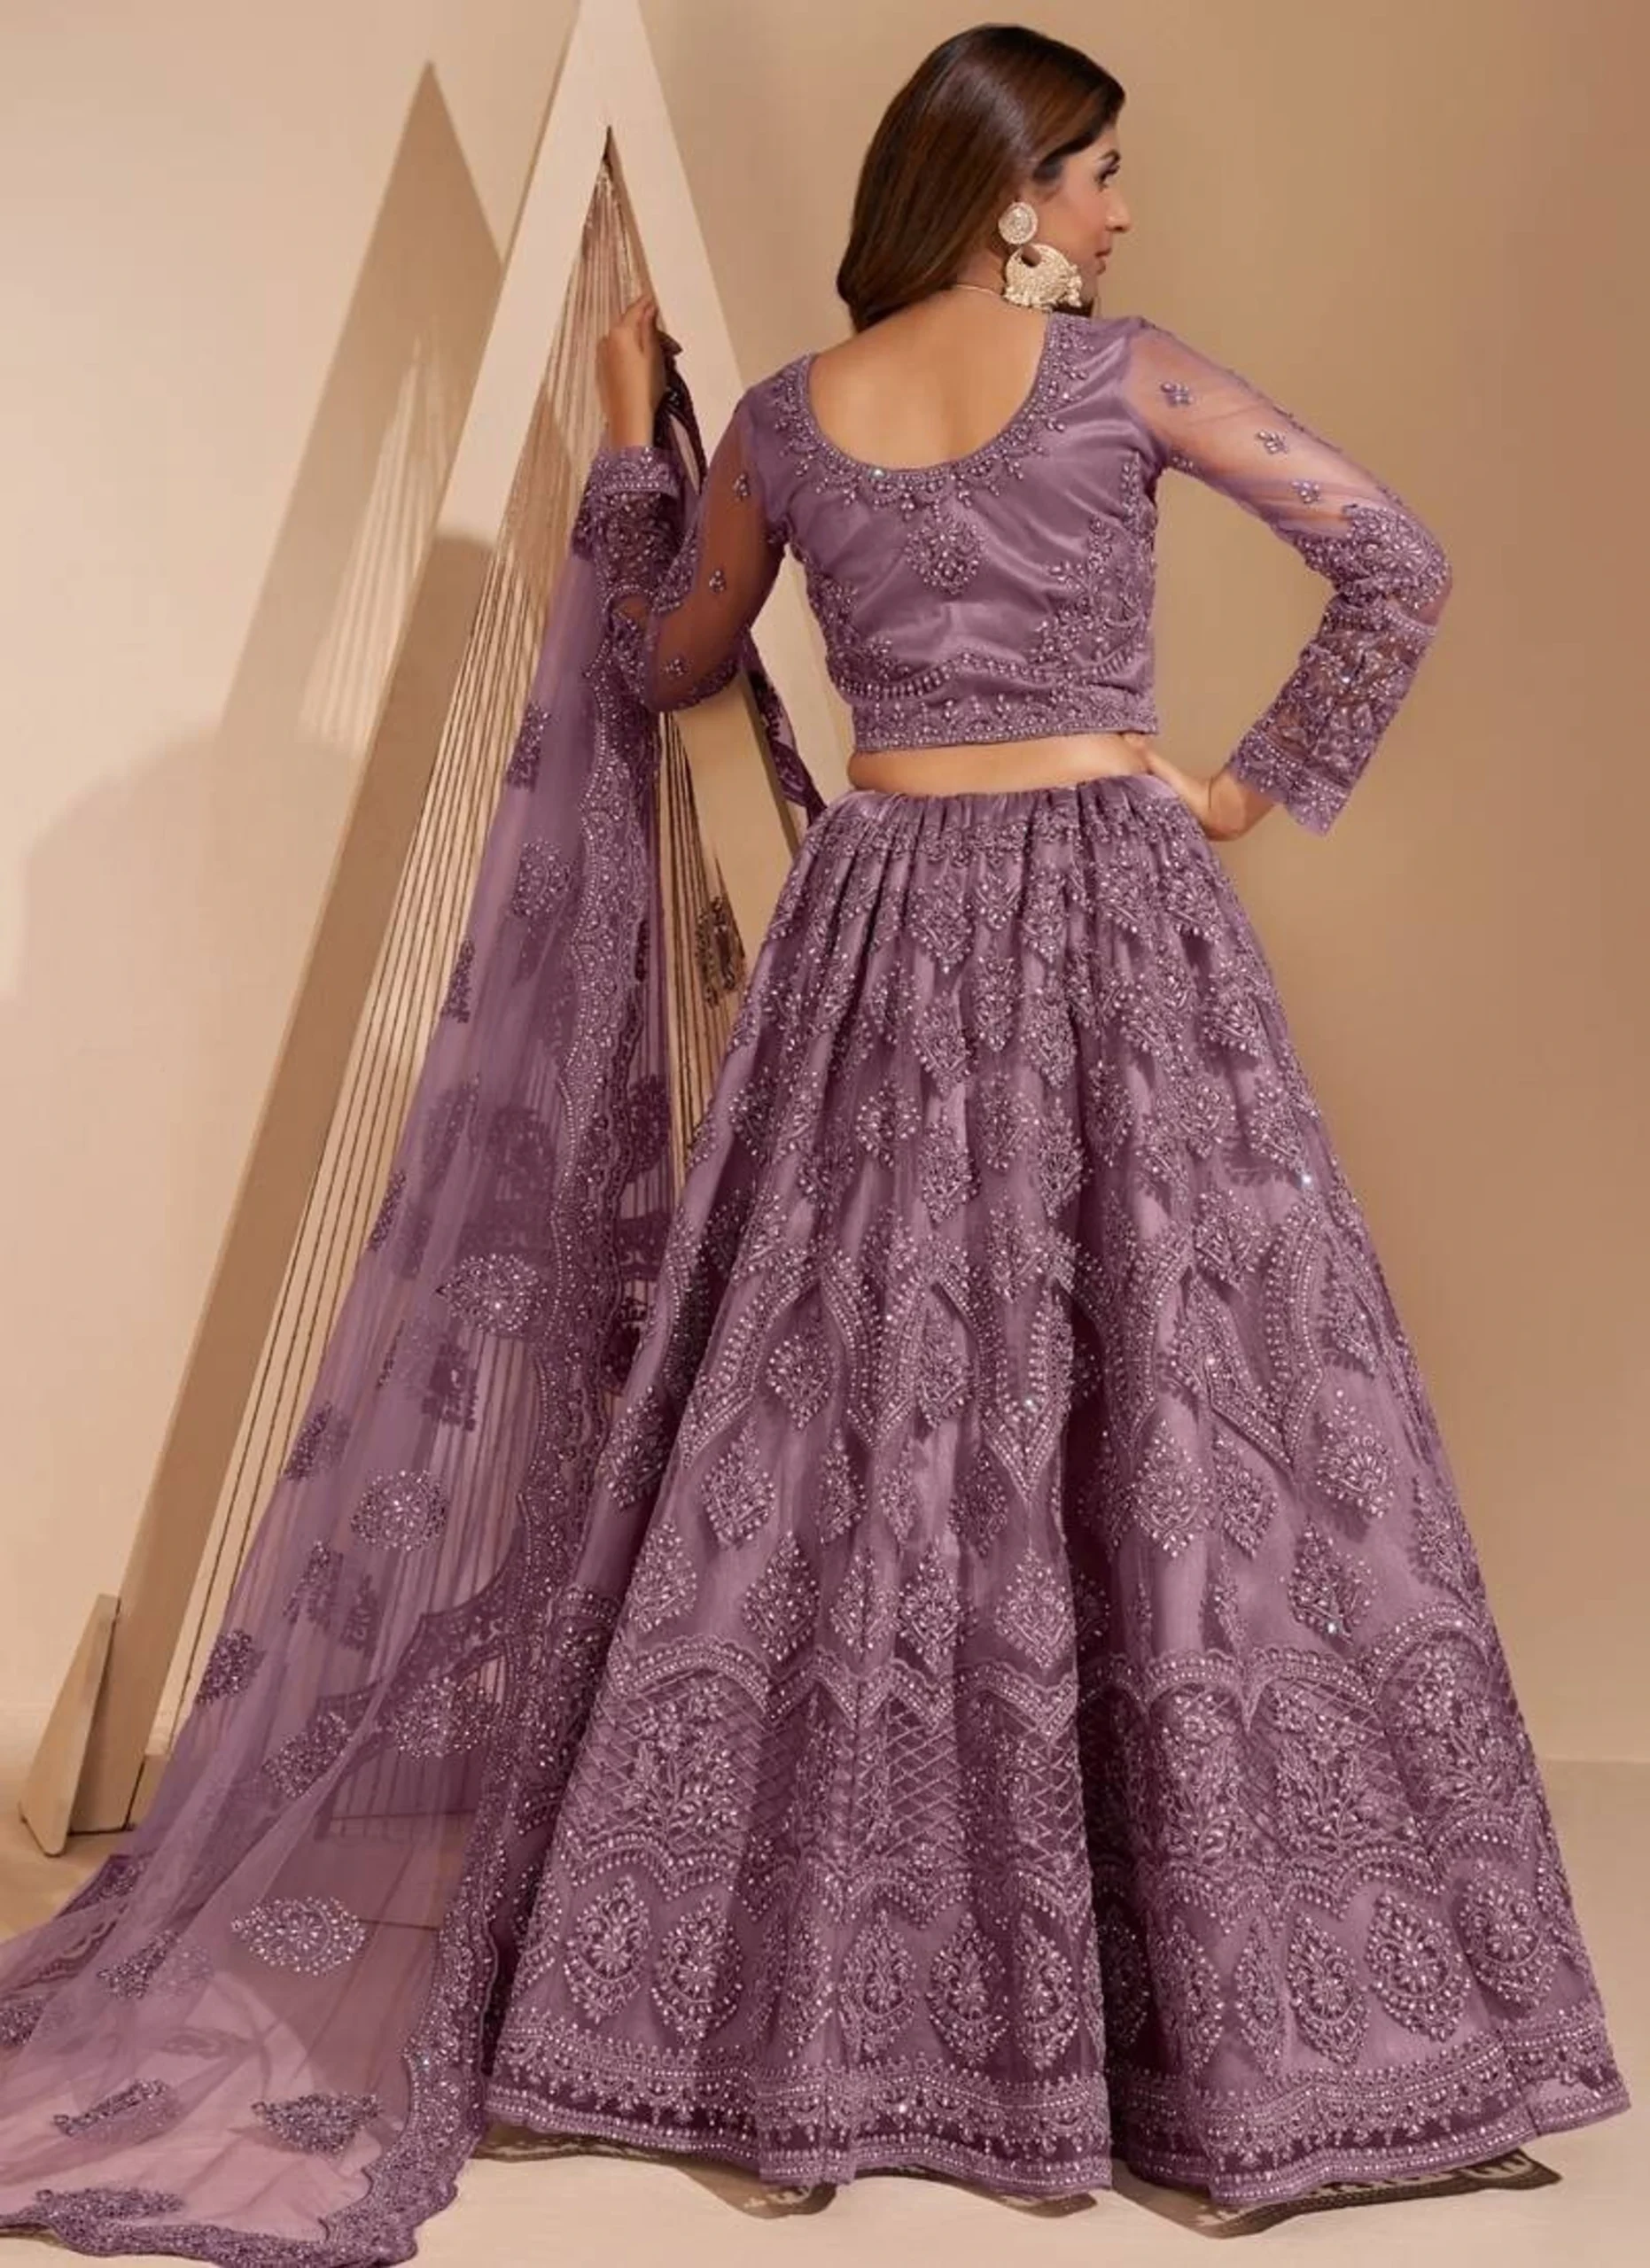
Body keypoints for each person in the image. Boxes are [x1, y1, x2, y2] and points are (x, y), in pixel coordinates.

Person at [0, 22, 1628, 2262]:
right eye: (1102, 172)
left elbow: (664, 661)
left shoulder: (779, 418)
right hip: (1110, 917)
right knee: (1180, 1404)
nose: (1123, 211)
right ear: (1013, 192)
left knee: (863, 1427)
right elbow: (1395, 560)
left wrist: (623, 447)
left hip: (878, 936)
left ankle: (827, 1992)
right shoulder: (1124, 375)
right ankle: (1178, 2001)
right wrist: (1240, 791)